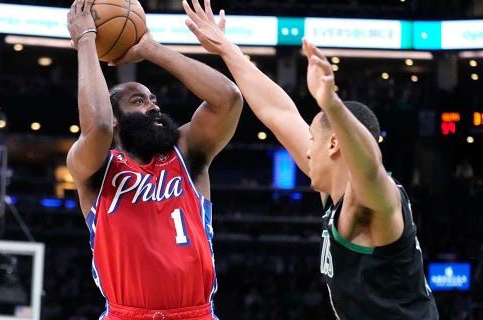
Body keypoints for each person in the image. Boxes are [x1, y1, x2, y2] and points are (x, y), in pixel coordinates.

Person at [182, 0, 439, 318]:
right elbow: (278, 112)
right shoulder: (334, 191)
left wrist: (331, 104)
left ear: (333, 145)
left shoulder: (374, 200)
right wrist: (226, 48)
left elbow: (371, 166)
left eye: (313, 141)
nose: (305, 150)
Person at [66, 0, 243, 319]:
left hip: (196, 313)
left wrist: (151, 48)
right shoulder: (96, 169)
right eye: (138, 101)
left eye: (153, 99)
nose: (153, 107)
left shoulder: (187, 153)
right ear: (118, 120)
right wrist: (87, 41)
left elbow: (227, 99)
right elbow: (99, 125)